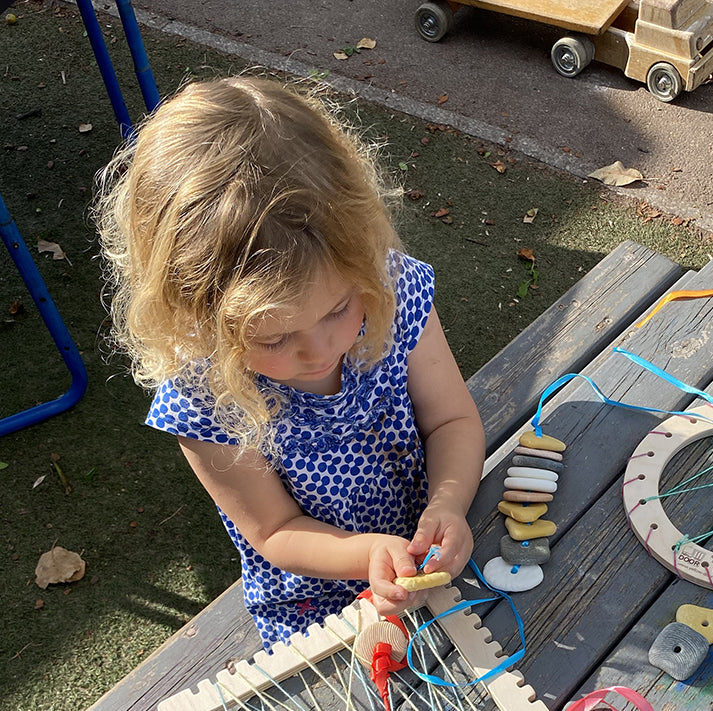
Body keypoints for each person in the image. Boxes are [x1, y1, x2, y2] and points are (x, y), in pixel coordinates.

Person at [95, 76, 484, 650]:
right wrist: (368, 555)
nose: (319, 349)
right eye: (274, 339)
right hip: (318, 598)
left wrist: (449, 501)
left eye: (337, 309)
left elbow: (452, 421)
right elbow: (274, 531)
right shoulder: (205, 399)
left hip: (433, 541)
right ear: (197, 315)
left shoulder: (389, 290)